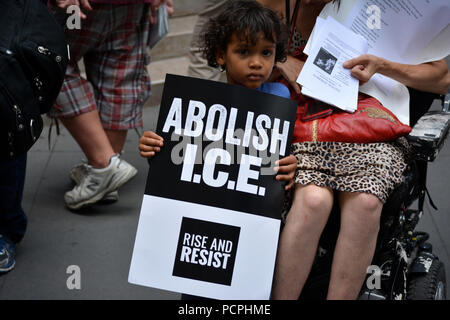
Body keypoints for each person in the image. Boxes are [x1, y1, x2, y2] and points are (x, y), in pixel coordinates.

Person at [269, 0, 450, 300]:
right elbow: (235, 52)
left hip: (374, 126)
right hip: (311, 124)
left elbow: (443, 80)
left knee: (365, 202)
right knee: (312, 201)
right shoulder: (279, 6)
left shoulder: (376, 8)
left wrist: (383, 65)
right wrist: (278, 59)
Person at [48, 0, 174, 211]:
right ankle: (107, 171)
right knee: (118, 75)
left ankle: (103, 165)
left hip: (78, 6)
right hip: (131, 6)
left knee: (51, 59)